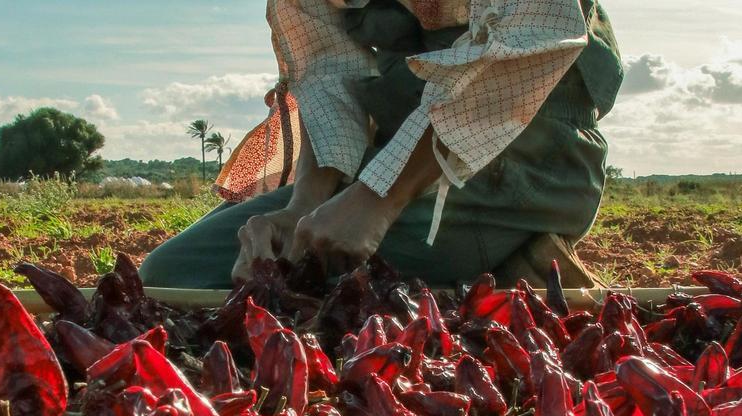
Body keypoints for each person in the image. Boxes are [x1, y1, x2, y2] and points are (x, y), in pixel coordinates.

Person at [139, 0, 623, 290]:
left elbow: (529, 44)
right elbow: (329, 73)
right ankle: (492, 264)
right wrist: (303, 205)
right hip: (391, 159)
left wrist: (376, 202)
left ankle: (514, 259)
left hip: (521, 160)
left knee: (323, 288)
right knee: (169, 274)